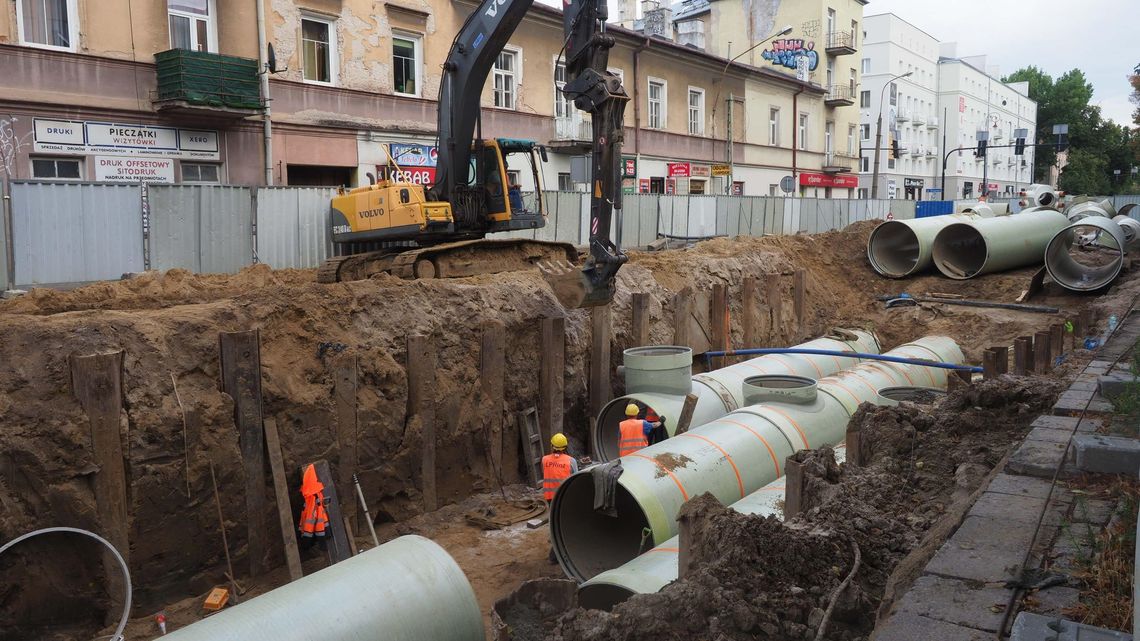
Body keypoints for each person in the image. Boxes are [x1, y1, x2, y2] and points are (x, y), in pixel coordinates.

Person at [298, 463, 330, 550]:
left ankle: (309, 544)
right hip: (316, 530)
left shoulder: (312, 497)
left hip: (311, 530)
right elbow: (316, 518)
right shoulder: (315, 496)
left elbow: (310, 519)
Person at [541, 433, 578, 503]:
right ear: (565, 447)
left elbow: (545, 473)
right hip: (564, 495)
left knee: (553, 513)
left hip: (549, 496)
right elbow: (576, 479)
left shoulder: (544, 459)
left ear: (552, 446)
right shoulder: (571, 461)